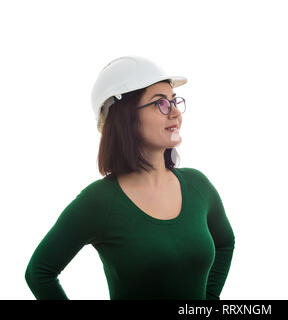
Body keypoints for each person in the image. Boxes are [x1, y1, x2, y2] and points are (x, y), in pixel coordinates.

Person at [24, 56, 235, 300]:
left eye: (174, 101)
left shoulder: (198, 186)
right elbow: (39, 273)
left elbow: (225, 242)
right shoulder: (99, 201)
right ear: (126, 117)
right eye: (161, 104)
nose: (176, 112)